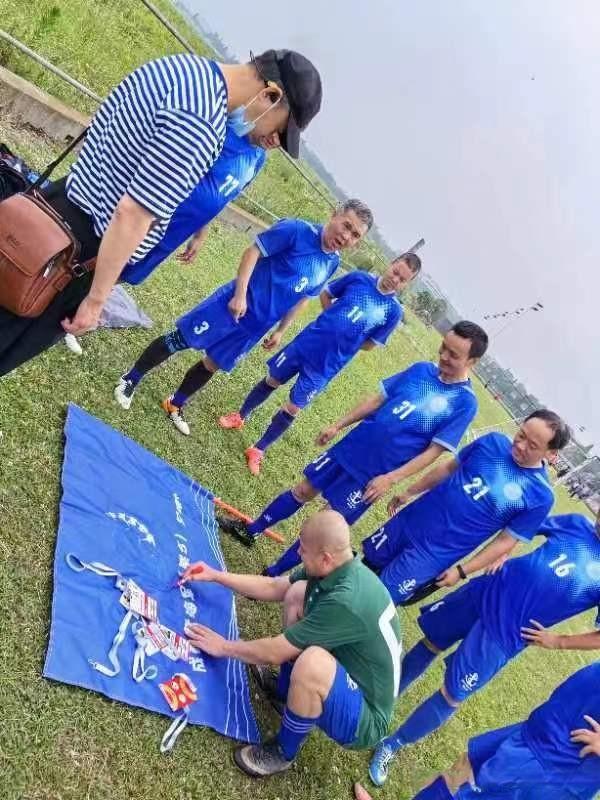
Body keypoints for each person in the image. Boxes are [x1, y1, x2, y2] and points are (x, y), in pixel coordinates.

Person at [0, 49, 322, 377]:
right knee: (9, 340)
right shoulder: (201, 120)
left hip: (57, 206)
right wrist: (96, 300)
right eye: (281, 130)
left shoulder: (183, 68)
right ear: (270, 95)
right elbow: (132, 214)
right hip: (77, 252)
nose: (273, 140)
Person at [220, 322, 487, 574]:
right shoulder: (420, 370)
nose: (443, 356)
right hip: (351, 448)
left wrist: (390, 479)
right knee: (302, 490)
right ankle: (251, 530)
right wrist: (338, 425)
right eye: (443, 347)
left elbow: (433, 453)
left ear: (472, 362)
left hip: (374, 474)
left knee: (326, 525)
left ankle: (272, 574)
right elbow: (377, 401)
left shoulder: (465, 403)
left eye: (453, 355)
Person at [368, 509, 600, 787]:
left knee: (452, 694)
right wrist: (503, 552)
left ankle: (392, 745)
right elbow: (524, 530)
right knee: (430, 643)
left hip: (505, 633)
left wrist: (558, 641)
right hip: (485, 592)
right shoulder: (576, 523)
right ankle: (380, 703)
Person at [114, 200, 373, 435]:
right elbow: (252, 252)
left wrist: (281, 330)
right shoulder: (296, 230)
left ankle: (175, 403)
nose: (346, 236)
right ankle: (130, 379)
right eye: (346, 225)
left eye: (355, 235)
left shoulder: (331, 263)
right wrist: (239, 295)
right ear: (334, 214)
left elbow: (303, 297)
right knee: (181, 340)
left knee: (213, 363)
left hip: (257, 325)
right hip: (232, 305)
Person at [180, 510, 402, 778]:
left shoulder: (347, 601)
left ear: (326, 558)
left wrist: (224, 647)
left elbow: (275, 652)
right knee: (297, 593)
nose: (298, 553)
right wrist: (216, 575)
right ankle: (285, 694)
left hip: (366, 718)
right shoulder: (337, 568)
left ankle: (283, 751)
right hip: (351, 674)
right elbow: (275, 586)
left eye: (303, 550)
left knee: (313, 663)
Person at [218, 253, 420, 476]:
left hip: (327, 365)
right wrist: (332, 319)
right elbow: (326, 294)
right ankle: (240, 416)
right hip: (306, 343)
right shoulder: (359, 278)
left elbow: (370, 344)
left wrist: (347, 341)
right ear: (391, 264)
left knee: (294, 407)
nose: (395, 279)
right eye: (395, 272)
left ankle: (258, 449)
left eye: (402, 279)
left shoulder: (393, 312)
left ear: (407, 284)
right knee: (272, 380)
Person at [362, 410, 570, 607]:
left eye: (532, 446)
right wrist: (410, 492)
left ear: (551, 453)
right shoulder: (493, 442)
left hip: (433, 553)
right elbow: (448, 468)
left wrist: (462, 571)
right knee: (362, 567)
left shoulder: (541, 496)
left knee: (378, 599)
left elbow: (505, 540)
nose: (521, 445)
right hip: (409, 522)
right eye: (521, 435)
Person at [356, 661, 600, 800]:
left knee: (472, 793)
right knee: (458, 777)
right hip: (540, 730)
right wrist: (559, 641)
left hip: (557, 765)